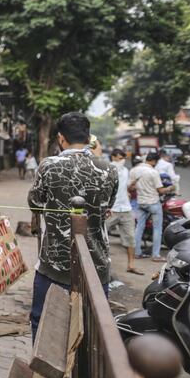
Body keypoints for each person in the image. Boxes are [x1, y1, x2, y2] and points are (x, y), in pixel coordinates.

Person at [28, 113, 117, 355]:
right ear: (88, 138)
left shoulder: (49, 166)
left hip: (54, 263)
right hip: (96, 264)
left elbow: (35, 204)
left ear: (60, 138)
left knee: (44, 323)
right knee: (92, 329)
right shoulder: (109, 169)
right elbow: (108, 205)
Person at [129, 152, 174, 262]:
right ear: (154, 161)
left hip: (140, 202)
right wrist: (170, 188)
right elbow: (160, 190)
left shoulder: (134, 170)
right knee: (157, 229)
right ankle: (156, 255)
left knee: (139, 227)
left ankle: (137, 252)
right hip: (153, 203)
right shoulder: (153, 172)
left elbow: (131, 188)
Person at [106, 149, 143, 275]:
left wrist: (131, 186)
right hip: (112, 209)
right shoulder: (108, 169)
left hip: (126, 209)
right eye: (120, 157)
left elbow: (125, 186)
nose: (123, 160)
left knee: (131, 238)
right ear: (113, 157)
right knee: (100, 236)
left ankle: (131, 265)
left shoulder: (126, 170)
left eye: (123, 157)